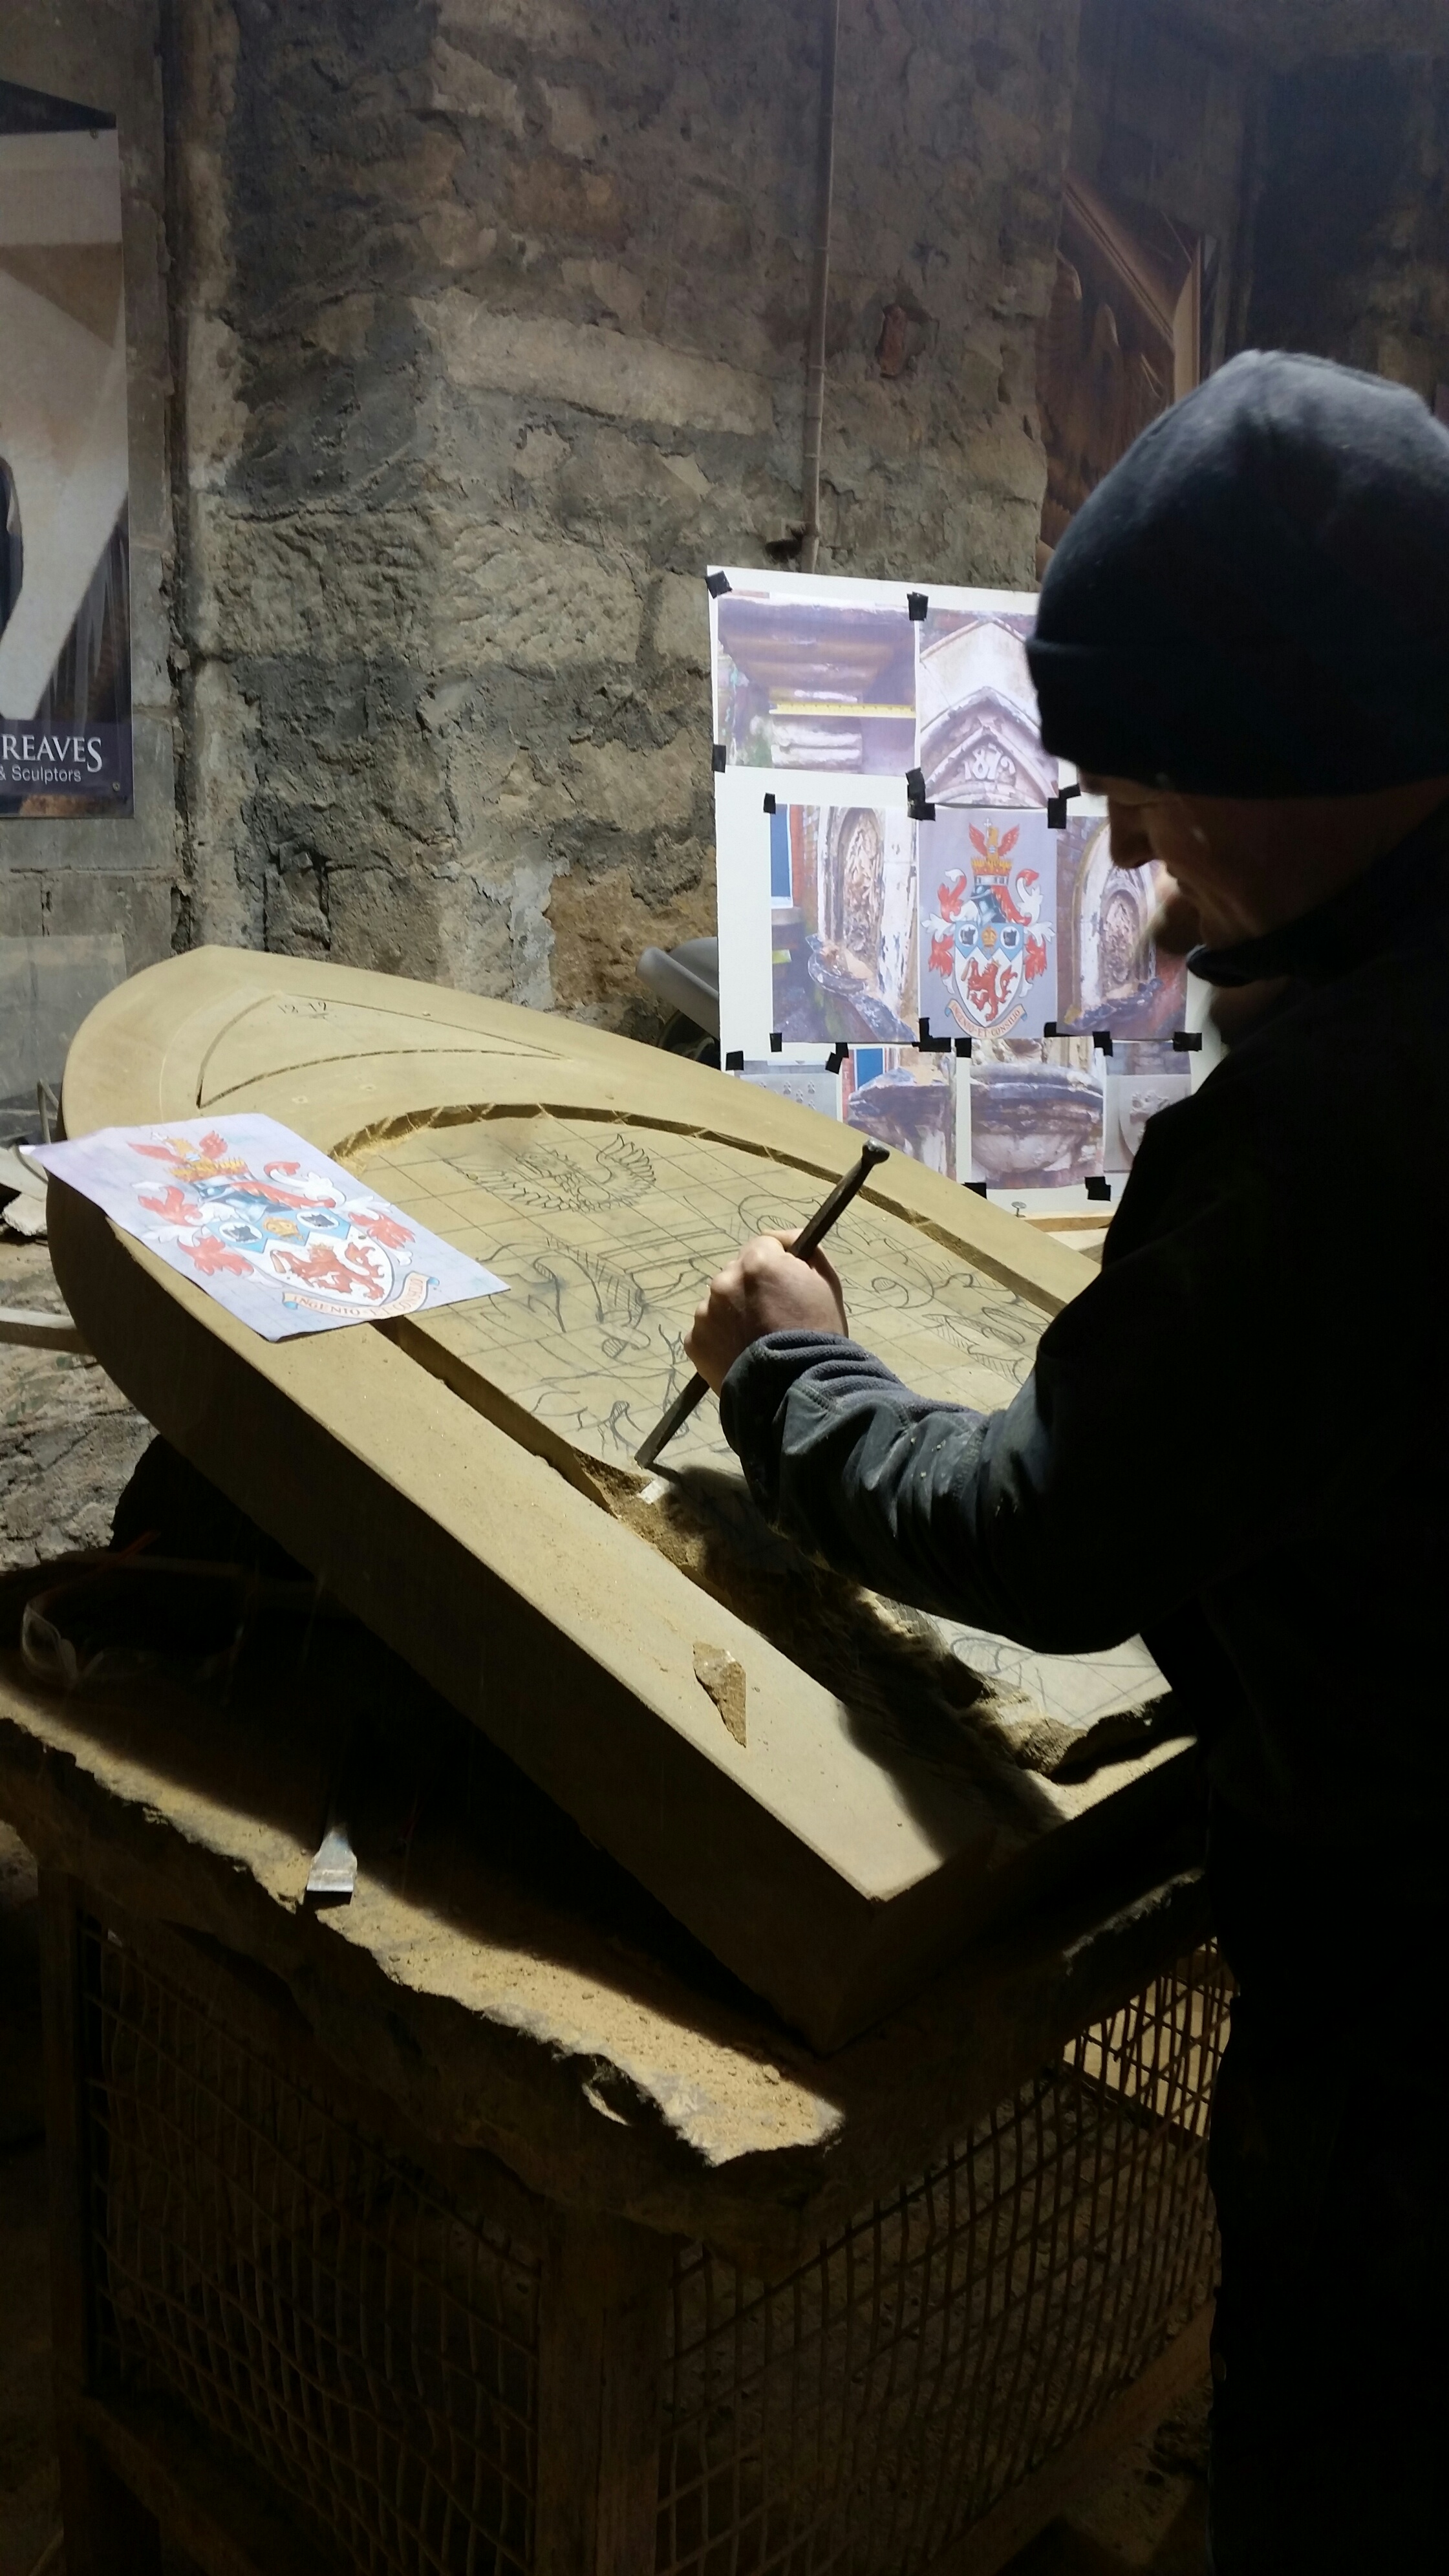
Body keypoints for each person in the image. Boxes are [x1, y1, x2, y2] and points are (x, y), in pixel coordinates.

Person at [685, 352, 1449, 2574]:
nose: (1119, 843)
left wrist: (796, 1383)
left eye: (1140, 783)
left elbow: (1044, 1528)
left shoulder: (1343, 1132)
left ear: (1301, 749)